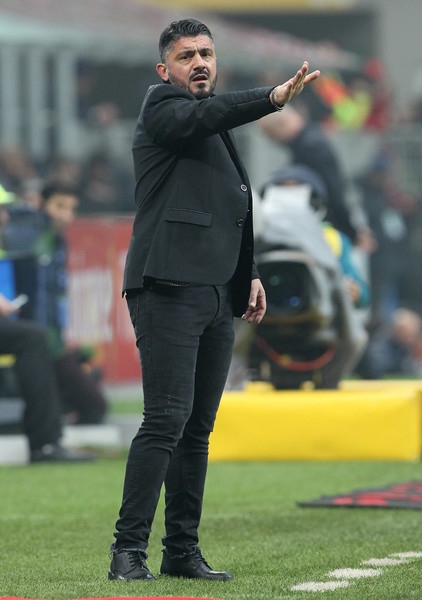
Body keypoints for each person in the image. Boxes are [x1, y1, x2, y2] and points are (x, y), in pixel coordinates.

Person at [108, 18, 320, 582]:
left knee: (196, 428)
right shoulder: (163, 107)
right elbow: (208, 116)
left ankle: (181, 551)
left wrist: (248, 274)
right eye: (186, 56)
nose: (200, 62)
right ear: (164, 70)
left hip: (216, 293)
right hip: (167, 287)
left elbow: (230, 207)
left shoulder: (211, 121)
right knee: (165, 420)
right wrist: (272, 98)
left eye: (206, 53)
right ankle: (127, 552)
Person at [0, 184, 93, 463]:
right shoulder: (32, 237)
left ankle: (47, 441)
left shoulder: (45, 241)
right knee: (32, 339)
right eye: (0, 210)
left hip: (48, 339)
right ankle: (45, 443)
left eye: (5, 210)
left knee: (34, 339)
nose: (5, 216)